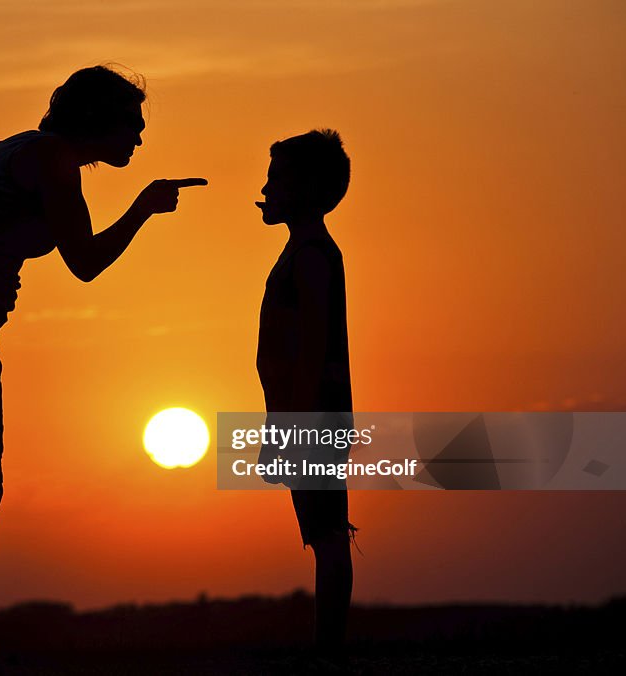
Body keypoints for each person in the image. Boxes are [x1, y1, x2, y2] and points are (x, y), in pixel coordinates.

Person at [0, 65, 206, 675]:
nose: (139, 139)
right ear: (100, 121)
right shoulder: (54, 161)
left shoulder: (17, 150)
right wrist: (142, 209)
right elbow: (84, 262)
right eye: (133, 127)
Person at [254, 129, 356, 652]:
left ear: (307, 188)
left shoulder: (314, 253)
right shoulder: (301, 250)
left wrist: (293, 425)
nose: (266, 190)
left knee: (329, 532)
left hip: (314, 411)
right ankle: (327, 649)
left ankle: (329, 651)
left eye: (276, 180)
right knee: (321, 531)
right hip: (303, 411)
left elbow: (315, 344)